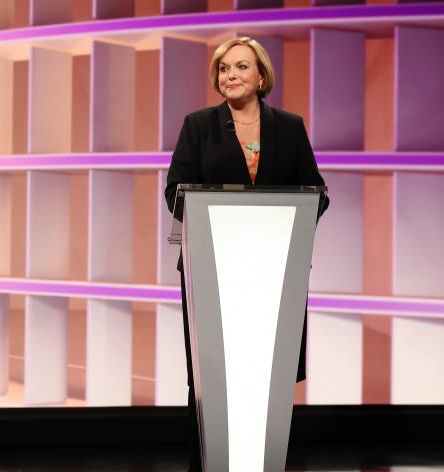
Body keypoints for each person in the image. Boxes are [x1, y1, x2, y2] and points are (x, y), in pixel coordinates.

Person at [163, 36, 329, 471]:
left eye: (240, 67)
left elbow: (318, 193)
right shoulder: (198, 125)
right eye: (223, 69)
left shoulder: (289, 127)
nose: (230, 76)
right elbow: (175, 192)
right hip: (214, 272)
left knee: (265, 379)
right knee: (212, 379)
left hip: (274, 271)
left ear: (261, 77)